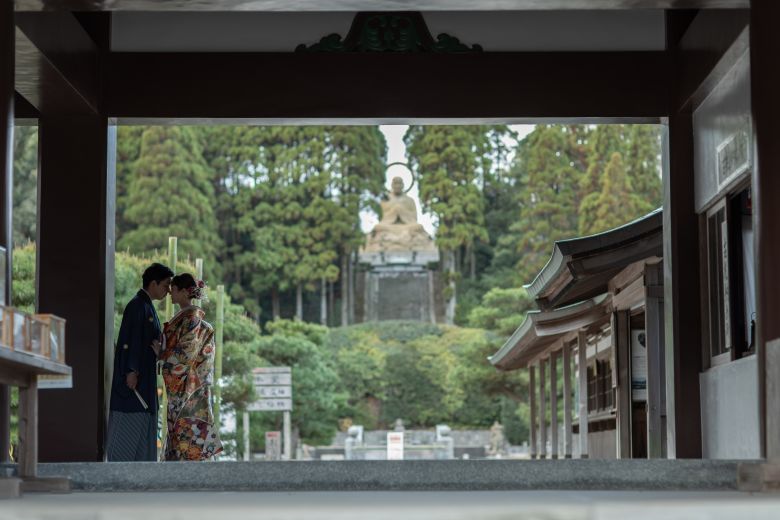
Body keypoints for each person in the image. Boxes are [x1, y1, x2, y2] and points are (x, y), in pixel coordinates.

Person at [106, 262, 173, 461]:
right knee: (129, 425)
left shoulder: (146, 306)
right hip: (134, 380)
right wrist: (131, 370)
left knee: (143, 426)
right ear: (153, 283)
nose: (168, 291)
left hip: (145, 379)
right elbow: (130, 340)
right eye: (166, 285)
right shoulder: (137, 305)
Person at [158, 273, 223, 461]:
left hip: (187, 384)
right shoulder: (189, 317)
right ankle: (183, 462)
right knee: (181, 425)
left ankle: (188, 465)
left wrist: (162, 354)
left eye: (174, 289)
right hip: (187, 382)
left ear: (184, 292)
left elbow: (186, 352)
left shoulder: (192, 317)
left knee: (185, 424)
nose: (170, 293)